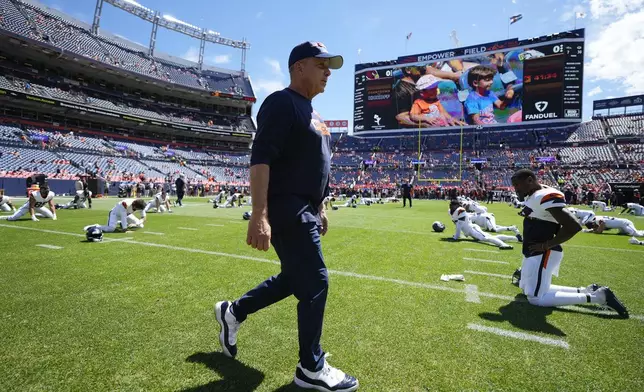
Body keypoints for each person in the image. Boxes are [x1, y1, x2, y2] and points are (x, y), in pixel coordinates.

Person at [214, 41, 359, 392]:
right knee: (316, 281)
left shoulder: (313, 113)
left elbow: (314, 167)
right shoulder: (281, 102)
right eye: (321, 65)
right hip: (286, 205)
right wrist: (259, 215)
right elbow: (261, 158)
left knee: (296, 279)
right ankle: (311, 366)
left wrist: (321, 206)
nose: (328, 72)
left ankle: (233, 311)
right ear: (299, 67)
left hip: (306, 206)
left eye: (329, 67)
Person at [510, 169, 628, 317]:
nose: (516, 189)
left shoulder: (544, 195)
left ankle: (598, 297)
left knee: (536, 298)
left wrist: (546, 245)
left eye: (517, 185)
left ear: (529, 180)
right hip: (533, 249)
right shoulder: (536, 192)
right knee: (527, 288)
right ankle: (586, 291)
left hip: (542, 251)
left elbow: (573, 226)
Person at [448, 200, 519, 249]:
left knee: (486, 238)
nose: (451, 206)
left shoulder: (460, 210)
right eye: (450, 205)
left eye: (453, 205)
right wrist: (457, 236)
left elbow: (459, 225)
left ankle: (504, 244)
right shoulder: (451, 211)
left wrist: (456, 237)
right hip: (470, 231)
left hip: (473, 229)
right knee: (493, 237)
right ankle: (516, 238)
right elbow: (458, 224)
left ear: (457, 205)